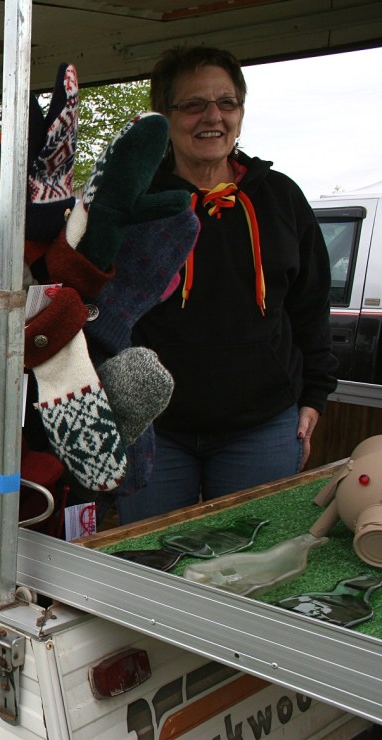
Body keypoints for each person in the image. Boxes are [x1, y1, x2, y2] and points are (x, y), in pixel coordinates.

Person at [118, 46, 337, 524]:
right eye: (194, 104)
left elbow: (310, 307)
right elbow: (104, 310)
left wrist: (314, 397)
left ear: (240, 112)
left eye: (227, 102)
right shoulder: (133, 201)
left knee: (255, 558)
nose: (213, 116)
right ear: (164, 116)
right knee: (149, 559)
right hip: (154, 428)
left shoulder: (281, 197)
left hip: (262, 428)